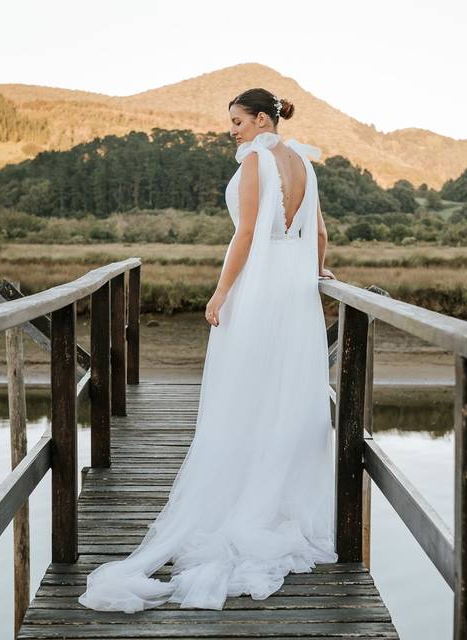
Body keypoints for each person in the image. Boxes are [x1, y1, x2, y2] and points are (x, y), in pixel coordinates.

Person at [78, 88, 338, 612]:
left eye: (238, 121)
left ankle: (240, 499)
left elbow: (245, 235)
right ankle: (277, 496)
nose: (233, 131)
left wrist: (220, 293)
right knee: (285, 392)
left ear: (263, 118)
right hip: (294, 293)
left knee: (242, 393)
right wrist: (313, 272)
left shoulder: (255, 163)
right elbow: (321, 233)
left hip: (259, 290)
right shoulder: (305, 165)